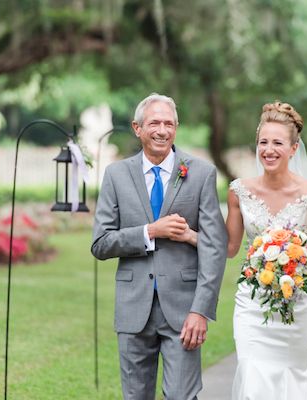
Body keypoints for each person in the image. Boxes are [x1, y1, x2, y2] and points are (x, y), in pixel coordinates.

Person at [91, 93, 228, 400]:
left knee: (181, 395)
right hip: (132, 310)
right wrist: (149, 232)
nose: (162, 130)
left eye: (169, 123)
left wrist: (201, 311)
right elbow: (100, 243)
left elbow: (216, 247)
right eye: (154, 122)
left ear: (176, 129)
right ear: (137, 128)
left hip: (184, 312)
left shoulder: (201, 173)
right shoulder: (116, 174)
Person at [225, 101, 307, 399]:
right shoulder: (238, 192)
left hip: (299, 306)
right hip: (252, 305)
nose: (268, 150)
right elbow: (230, 248)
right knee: (254, 378)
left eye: (277, 143)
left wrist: (301, 266)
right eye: (263, 142)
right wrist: (190, 236)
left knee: (294, 381)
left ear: (293, 149)